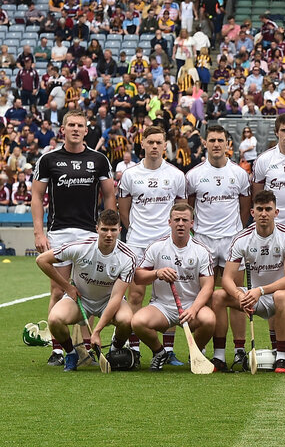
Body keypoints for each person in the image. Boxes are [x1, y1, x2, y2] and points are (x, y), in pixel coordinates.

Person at [31, 111, 116, 366]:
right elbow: (37, 196)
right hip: (59, 232)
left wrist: (110, 226)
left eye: (80, 125)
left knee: (88, 289)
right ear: (63, 129)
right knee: (58, 288)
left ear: (86, 130)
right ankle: (58, 349)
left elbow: (109, 195)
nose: (76, 129)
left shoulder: (99, 160)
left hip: (91, 233)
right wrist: (38, 232)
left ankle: (84, 346)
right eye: (71, 125)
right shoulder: (48, 159)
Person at [35, 209, 137, 372]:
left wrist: (96, 331)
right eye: (104, 229)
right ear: (97, 229)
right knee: (54, 319)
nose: (109, 234)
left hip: (108, 301)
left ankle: (114, 349)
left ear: (120, 230)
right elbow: (42, 260)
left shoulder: (128, 257)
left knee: (127, 320)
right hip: (80, 299)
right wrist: (67, 287)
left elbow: (116, 298)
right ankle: (71, 353)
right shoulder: (81, 247)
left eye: (113, 230)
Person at [117, 125, 187, 361]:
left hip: (166, 243)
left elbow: (181, 210)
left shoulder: (176, 175)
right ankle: (134, 348)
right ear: (143, 144)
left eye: (159, 142)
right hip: (137, 242)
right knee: (136, 295)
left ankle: (167, 350)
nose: (155, 146)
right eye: (151, 142)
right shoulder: (130, 175)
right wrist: (137, 231)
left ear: (165, 145)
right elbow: (124, 212)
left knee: (169, 295)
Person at [212, 190, 285, 373]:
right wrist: (239, 294)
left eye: (268, 209)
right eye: (259, 209)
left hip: (279, 292)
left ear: (276, 212)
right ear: (252, 212)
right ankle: (219, 357)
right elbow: (227, 277)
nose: (264, 214)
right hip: (253, 295)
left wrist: (260, 290)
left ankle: (282, 358)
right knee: (218, 295)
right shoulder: (242, 239)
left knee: (281, 296)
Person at [186, 125, 252, 349]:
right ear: (205, 143)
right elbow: (189, 209)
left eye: (220, 140)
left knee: (235, 297)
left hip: (232, 240)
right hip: (204, 241)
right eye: (211, 140)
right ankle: (206, 347)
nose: (216, 144)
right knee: (203, 296)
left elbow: (245, 209)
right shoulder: (194, 175)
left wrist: (236, 232)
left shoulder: (239, 174)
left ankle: (240, 348)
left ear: (227, 144)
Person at [132, 203, 218, 370]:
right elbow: (138, 277)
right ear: (169, 222)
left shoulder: (201, 251)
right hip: (162, 307)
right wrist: (157, 273)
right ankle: (159, 352)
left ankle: (197, 354)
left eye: (184, 220)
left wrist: (193, 309)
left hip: (191, 305)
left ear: (191, 223)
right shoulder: (157, 247)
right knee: (137, 322)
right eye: (176, 219)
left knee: (209, 320)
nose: (180, 223)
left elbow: (208, 286)